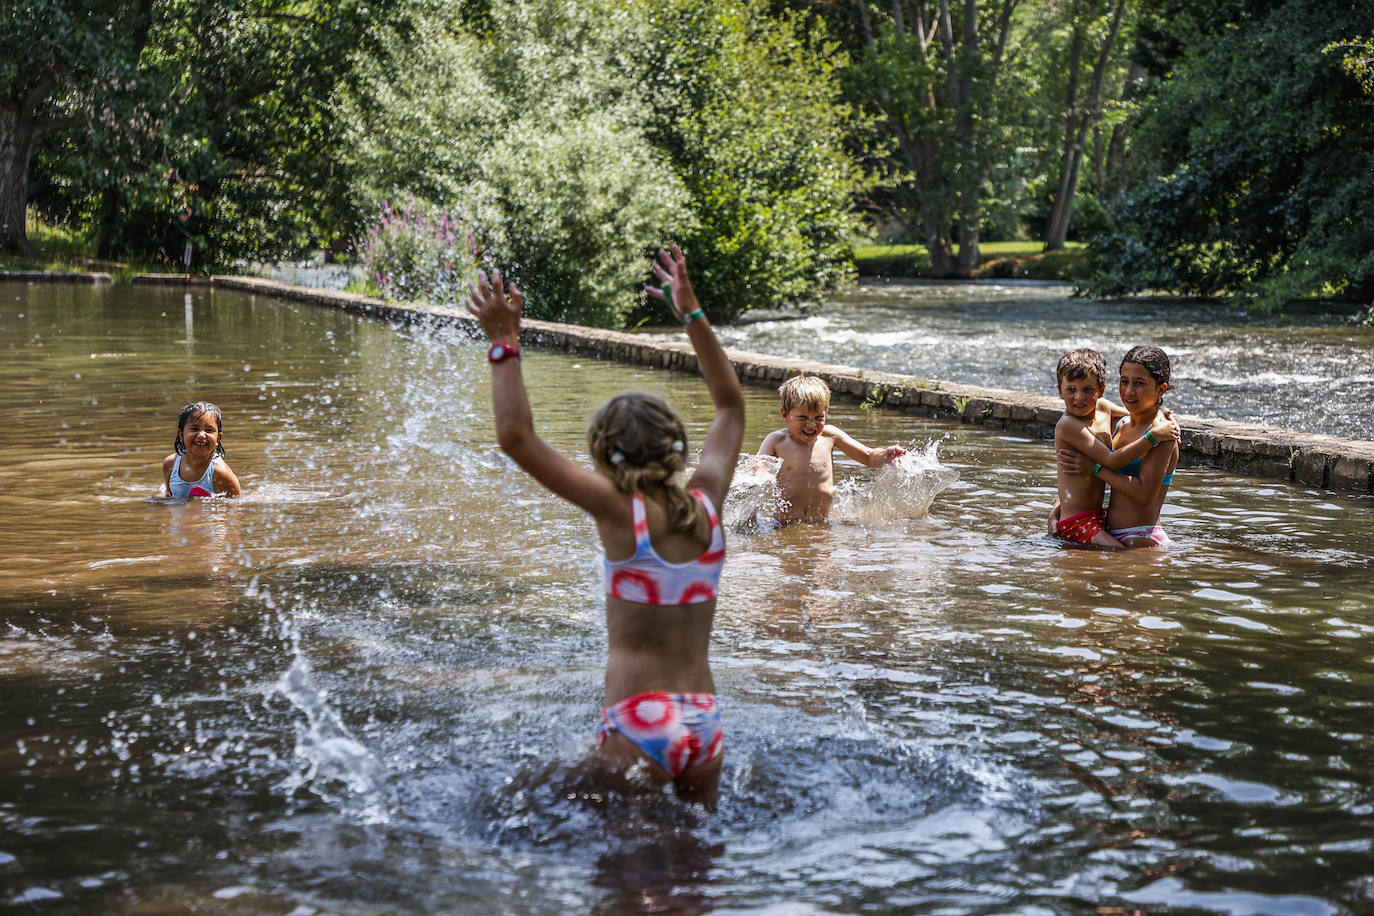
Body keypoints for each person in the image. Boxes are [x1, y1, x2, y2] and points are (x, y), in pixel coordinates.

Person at [463, 245, 745, 803]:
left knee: (625, 880)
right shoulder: (706, 505)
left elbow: (516, 438)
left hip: (641, 725)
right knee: (698, 870)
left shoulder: (621, 513)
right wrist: (691, 313)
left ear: (605, 456)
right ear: (675, 447)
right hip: (704, 724)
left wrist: (504, 344)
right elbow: (731, 407)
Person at [1049, 349, 1177, 548]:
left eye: (1139, 383)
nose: (1128, 392)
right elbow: (1077, 475)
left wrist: (1095, 469)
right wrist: (1058, 509)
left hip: (1139, 537)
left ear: (1161, 389)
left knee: (1118, 561)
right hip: (1104, 526)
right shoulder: (1122, 424)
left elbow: (1144, 496)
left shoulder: (1162, 434)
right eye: (1124, 381)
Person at [755, 374, 906, 524]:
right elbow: (759, 464)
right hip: (782, 525)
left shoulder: (830, 436)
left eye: (818, 417)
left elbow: (867, 456)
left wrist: (886, 454)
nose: (811, 424)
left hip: (821, 524)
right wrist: (761, 474)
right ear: (785, 415)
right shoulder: (777, 440)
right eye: (803, 417)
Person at [162, 401, 242, 498]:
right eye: (194, 429)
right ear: (181, 434)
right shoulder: (170, 464)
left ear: (218, 438)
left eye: (209, 430)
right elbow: (169, 497)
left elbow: (236, 507)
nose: (201, 435)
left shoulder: (221, 473)